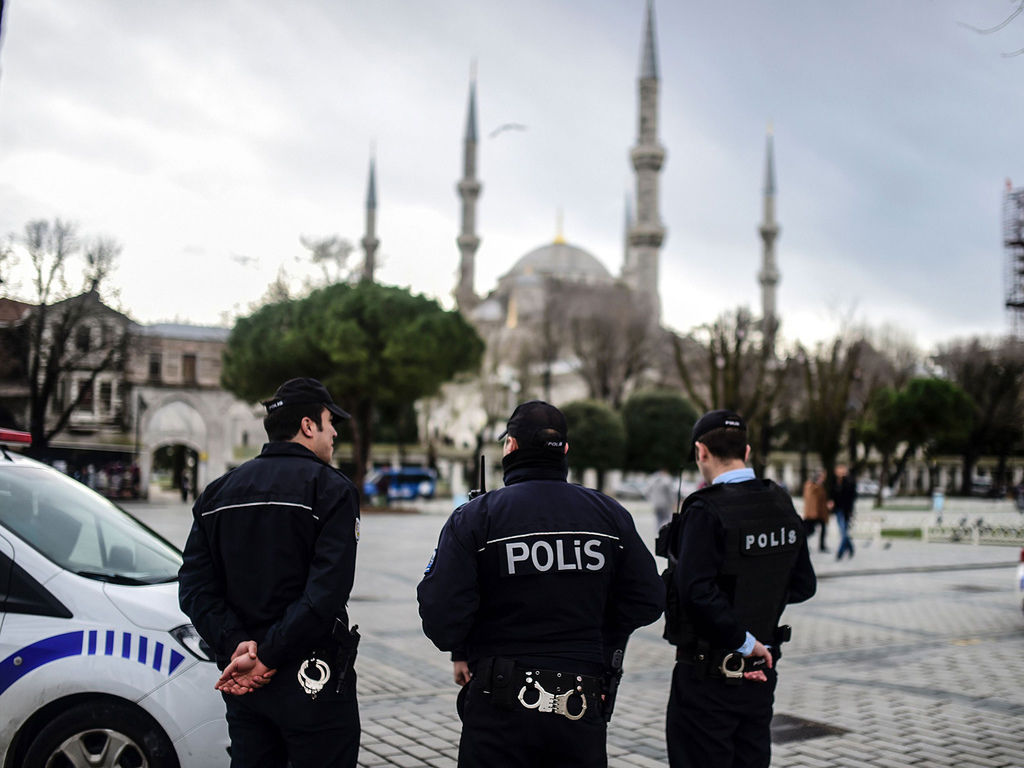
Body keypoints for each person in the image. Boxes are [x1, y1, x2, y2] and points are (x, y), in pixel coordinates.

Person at [417, 400, 664, 768]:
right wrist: (594, 630)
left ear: (510, 447)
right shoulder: (608, 514)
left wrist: (478, 635)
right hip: (579, 704)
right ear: (565, 450)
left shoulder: (476, 518)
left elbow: (441, 620)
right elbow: (648, 600)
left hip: (498, 707)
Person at [178, 377, 362, 768]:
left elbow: (195, 587)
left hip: (244, 680)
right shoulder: (331, 489)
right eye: (331, 422)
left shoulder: (217, 492)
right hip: (314, 679)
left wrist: (237, 643)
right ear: (308, 426)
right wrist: (270, 655)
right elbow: (326, 592)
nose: (334, 433)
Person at [661, 409, 816, 768]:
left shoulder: (704, 509)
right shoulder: (779, 500)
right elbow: (804, 584)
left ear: (701, 452)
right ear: (746, 452)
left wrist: (743, 639)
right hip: (763, 668)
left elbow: (695, 592)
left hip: (710, 673)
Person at [832, 463, 858, 560]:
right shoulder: (835, 481)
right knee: (843, 532)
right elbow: (833, 494)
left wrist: (850, 510)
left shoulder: (849, 481)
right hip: (838, 509)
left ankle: (840, 552)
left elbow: (852, 496)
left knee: (843, 532)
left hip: (846, 510)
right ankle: (850, 548)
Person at [801, 469, 829, 552]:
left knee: (822, 529)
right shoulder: (811, 486)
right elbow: (812, 501)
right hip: (813, 513)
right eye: (821, 477)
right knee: (809, 531)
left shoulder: (819, 486)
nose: (823, 479)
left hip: (820, 513)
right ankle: (802, 544)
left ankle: (822, 546)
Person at [646, 466, 677, 534]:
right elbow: (671, 493)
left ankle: (658, 533)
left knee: (658, 520)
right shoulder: (667, 479)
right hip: (665, 504)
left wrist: (651, 499)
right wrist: (673, 502)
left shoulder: (653, 479)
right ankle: (664, 533)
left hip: (656, 503)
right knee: (666, 519)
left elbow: (647, 491)